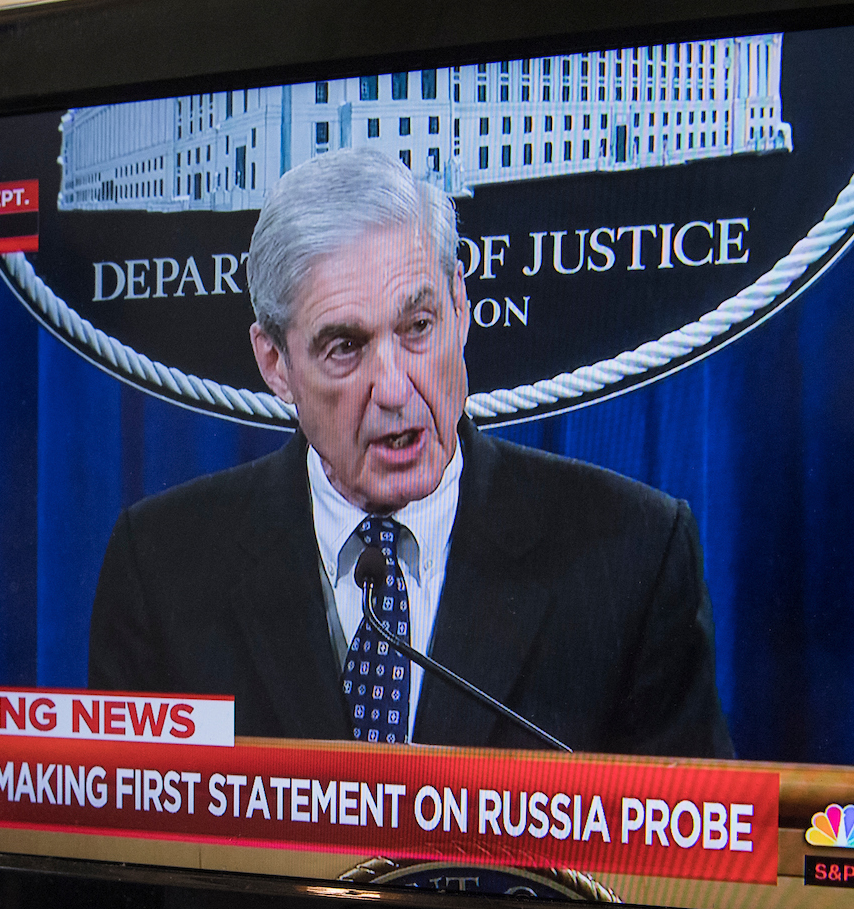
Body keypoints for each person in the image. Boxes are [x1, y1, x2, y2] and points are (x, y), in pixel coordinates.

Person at [88, 149, 729, 758]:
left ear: (460, 306)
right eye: (346, 346)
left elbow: (691, 857)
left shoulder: (633, 554)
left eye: (418, 326)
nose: (395, 389)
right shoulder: (163, 567)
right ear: (275, 364)